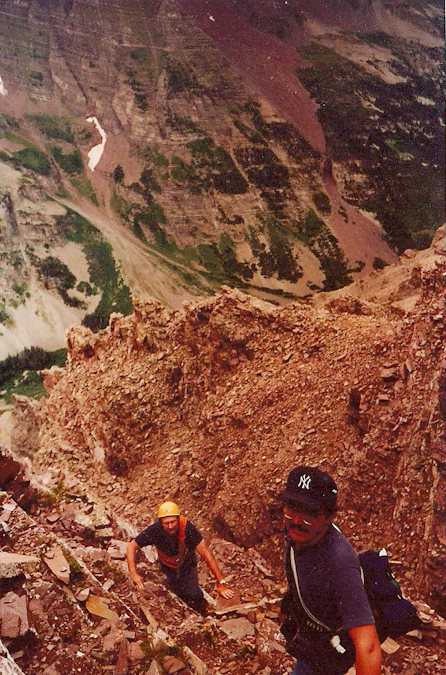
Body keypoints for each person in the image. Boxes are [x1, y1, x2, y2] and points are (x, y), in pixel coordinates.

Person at [278, 466, 381, 675]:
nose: (297, 520)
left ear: (328, 516)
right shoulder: (298, 533)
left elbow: (368, 646)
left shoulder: (340, 564)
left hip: (331, 656)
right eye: (291, 508)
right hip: (312, 647)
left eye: (308, 513)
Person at [126, 501, 234, 614]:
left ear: (178, 518)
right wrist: (134, 574)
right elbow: (131, 547)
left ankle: (203, 613)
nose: (170, 526)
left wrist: (221, 582)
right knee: (175, 593)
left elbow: (206, 554)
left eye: (173, 522)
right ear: (160, 522)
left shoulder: (188, 529)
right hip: (167, 566)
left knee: (193, 593)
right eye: (166, 523)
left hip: (187, 564)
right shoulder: (155, 530)